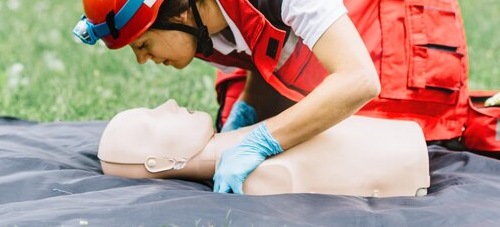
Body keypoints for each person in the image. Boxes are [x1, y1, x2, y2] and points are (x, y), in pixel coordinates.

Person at [73, 0, 468, 194]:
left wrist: (263, 139)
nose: (144, 61)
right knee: (278, 125)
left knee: (367, 146)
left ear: (175, 10)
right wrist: (248, 109)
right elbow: (266, 40)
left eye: (143, 45)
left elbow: (359, 80)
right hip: (346, 17)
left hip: (401, 16)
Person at [97, 99, 430, 197]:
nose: (168, 103)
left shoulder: (247, 153)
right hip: (408, 164)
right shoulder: (258, 177)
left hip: (406, 145)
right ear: (157, 163)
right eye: (153, 119)